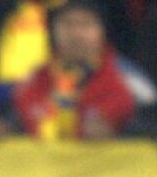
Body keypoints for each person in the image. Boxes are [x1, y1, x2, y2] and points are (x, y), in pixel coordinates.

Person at [11, 0, 136, 140]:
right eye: (67, 24)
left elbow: (153, 126)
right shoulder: (32, 81)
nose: (76, 34)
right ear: (52, 30)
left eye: (86, 24)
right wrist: (4, 129)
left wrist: (117, 132)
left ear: (102, 30)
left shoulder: (128, 78)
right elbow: (17, 121)